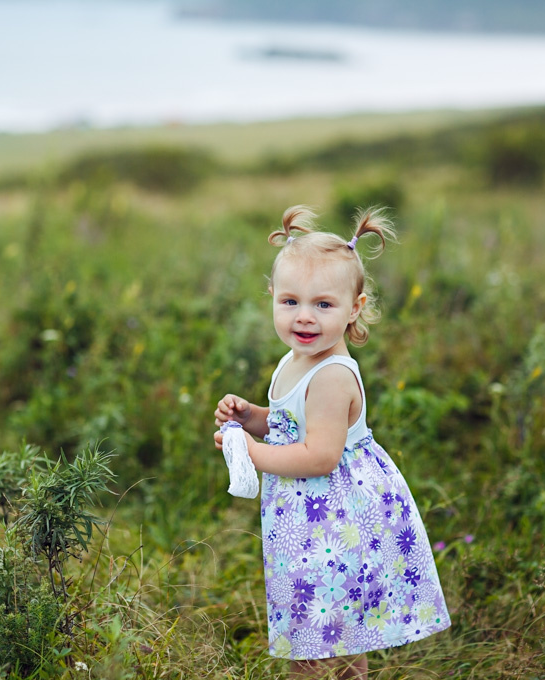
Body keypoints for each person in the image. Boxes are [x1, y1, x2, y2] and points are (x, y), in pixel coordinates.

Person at [213, 205, 451, 678]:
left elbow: (319, 456)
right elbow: (292, 425)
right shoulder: (295, 359)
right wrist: (253, 418)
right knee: (328, 626)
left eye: (323, 305)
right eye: (290, 302)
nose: (304, 317)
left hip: (337, 518)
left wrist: (251, 453)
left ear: (354, 308)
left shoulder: (331, 377)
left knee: (323, 628)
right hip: (310, 516)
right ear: (272, 297)